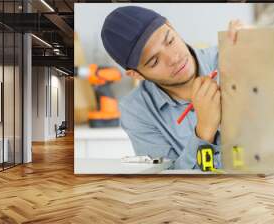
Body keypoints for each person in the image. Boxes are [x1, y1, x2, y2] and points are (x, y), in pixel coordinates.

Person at [101, 6, 243, 169]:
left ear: (171, 26)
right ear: (136, 74)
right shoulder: (136, 111)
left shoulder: (229, 56)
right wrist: (204, 132)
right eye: (154, 61)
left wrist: (267, 48)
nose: (173, 58)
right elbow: (169, 182)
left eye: (170, 40)